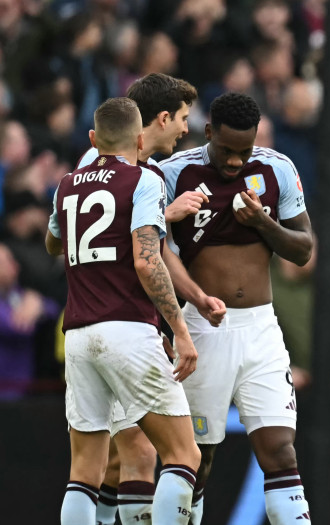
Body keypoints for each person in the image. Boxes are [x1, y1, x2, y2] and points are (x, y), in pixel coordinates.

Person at [76, 72, 227, 525]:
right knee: (167, 453)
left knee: (124, 459)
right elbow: (135, 250)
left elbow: (71, 235)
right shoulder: (132, 172)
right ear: (161, 118)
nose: (186, 129)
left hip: (91, 322)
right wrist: (167, 213)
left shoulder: (91, 166)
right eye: (182, 118)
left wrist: (195, 299)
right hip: (122, 319)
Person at [158, 92, 314, 523]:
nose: (234, 162)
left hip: (262, 329)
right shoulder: (173, 173)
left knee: (281, 452)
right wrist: (196, 299)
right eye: (227, 150)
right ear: (208, 132)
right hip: (203, 329)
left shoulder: (276, 168)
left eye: (243, 152)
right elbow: (153, 252)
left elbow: (303, 250)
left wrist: (262, 222)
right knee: (195, 459)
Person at [48, 97, 201, 525]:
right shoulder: (142, 180)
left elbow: (52, 242)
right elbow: (146, 261)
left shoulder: (66, 184)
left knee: (84, 473)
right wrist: (179, 330)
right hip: (128, 329)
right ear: (139, 139)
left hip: (77, 334)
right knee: (182, 454)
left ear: (94, 139)